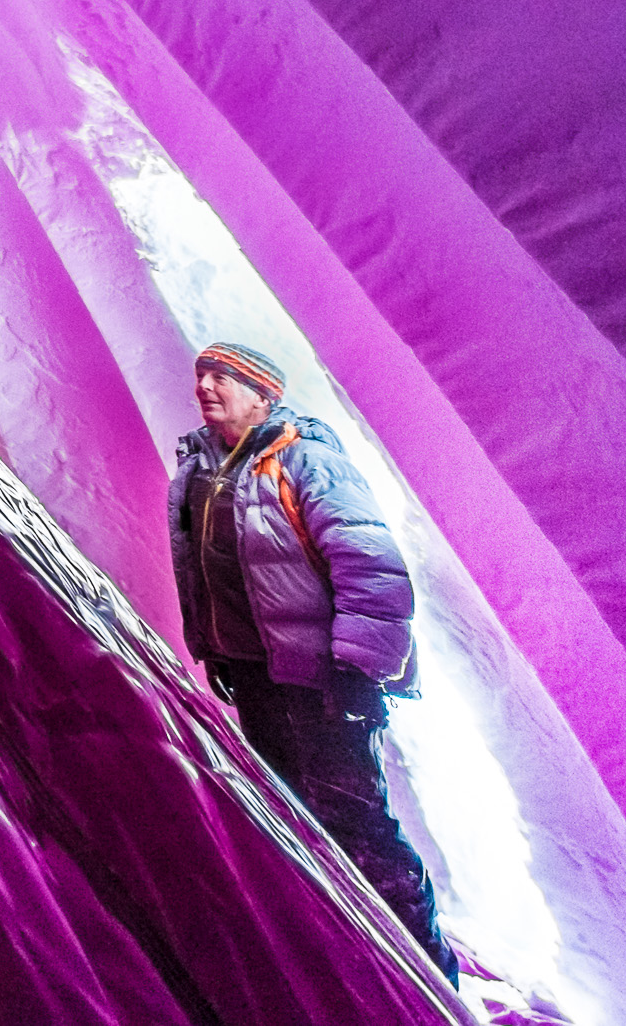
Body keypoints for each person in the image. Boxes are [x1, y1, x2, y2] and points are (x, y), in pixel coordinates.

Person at [167, 341, 458, 983]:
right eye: (201, 377)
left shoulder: (305, 461)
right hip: (258, 678)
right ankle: (356, 972)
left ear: (263, 394)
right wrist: (214, 647)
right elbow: (201, 572)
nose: (206, 387)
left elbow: (372, 567)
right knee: (292, 814)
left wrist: (358, 668)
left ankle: (433, 980)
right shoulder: (199, 468)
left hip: (324, 683)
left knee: (359, 827)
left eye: (223, 377)